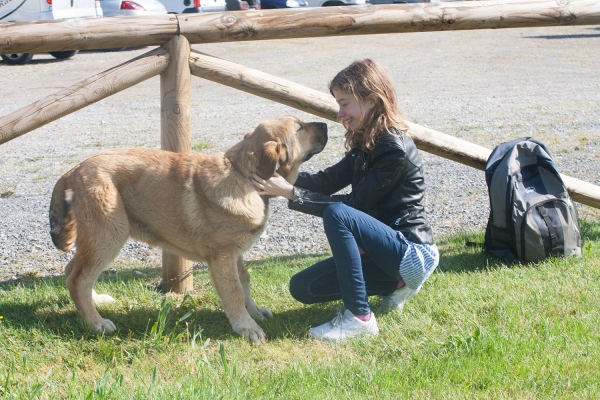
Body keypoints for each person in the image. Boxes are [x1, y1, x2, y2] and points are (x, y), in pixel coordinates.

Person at [251, 59, 439, 342]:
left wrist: (290, 193)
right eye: (338, 104)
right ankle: (395, 285)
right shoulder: (367, 142)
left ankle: (359, 318)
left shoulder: (393, 149)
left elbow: (353, 208)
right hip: (383, 254)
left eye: (345, 103)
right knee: (303, 288)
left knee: (338, 214)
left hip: (411, 252)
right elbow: (325, 181)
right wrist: (281, 173)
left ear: (372, 100)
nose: (340, 113)